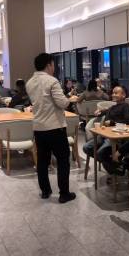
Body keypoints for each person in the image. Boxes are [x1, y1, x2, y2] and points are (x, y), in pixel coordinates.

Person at [26, 53, 76, 203]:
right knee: (63, 160)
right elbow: (62, 103)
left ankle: (45, 191)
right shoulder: (52, 81)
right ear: (49, 65)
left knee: (42, 161)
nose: (55, 67)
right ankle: (64, 194)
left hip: (39, 128)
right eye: (53, 64)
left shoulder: (30, 82)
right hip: (55, 127)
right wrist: (70, 99)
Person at [83, 86, 129, 171]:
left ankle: (115, 167)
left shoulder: (126, 107)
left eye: (116, 93)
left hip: (114, 137)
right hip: (103, 135)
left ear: (123, 95)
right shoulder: (113, 107)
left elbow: (128, 121)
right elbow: (105, 111)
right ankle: (116, 166)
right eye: (113, 93)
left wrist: (112, 123)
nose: (113, 95)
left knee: (100, 153)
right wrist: (99, 112)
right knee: (86, 147)